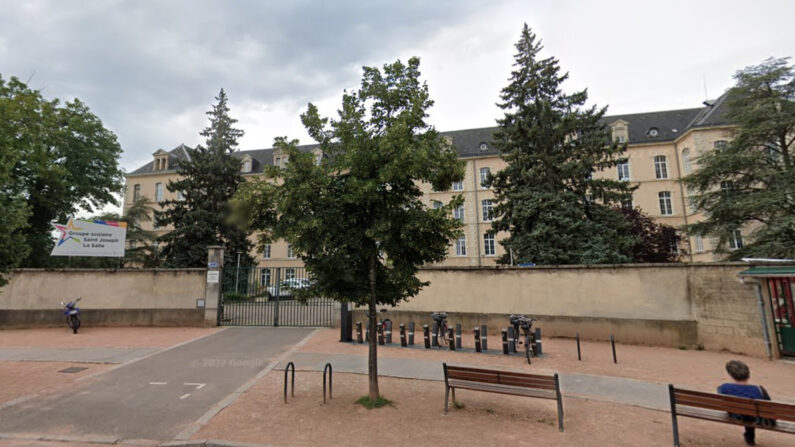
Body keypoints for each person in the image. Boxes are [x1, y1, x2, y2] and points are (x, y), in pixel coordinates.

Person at [717, 360, 772, 446]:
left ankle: (749, 436)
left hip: (735, 415)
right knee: (751, 412)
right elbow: (768, 404)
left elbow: (720, 394)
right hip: (755, 418)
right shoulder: (758, 389)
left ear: (731, 375)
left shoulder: (724, 387)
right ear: (748, 374)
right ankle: (750, 438)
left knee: (745, 411)